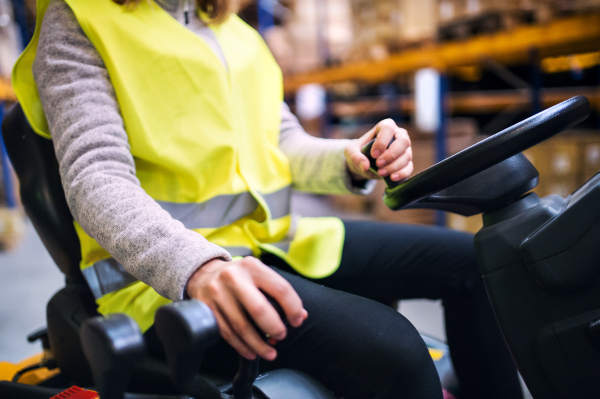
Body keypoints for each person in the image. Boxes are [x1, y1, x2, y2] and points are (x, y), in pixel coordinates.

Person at [13, 0, 523, 398]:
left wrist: (351, 156)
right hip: (168, 276)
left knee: (472, 260)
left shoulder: (241, 38)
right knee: (397, 351)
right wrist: (199, 267)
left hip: (274, 242)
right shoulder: (79, 18)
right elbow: (96, 176)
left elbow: (281, 144)